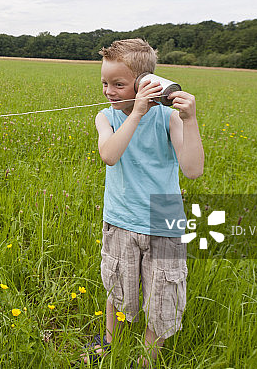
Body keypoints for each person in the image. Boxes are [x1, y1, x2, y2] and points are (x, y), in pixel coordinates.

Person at [89, 38, 204, 367]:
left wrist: (190, 120)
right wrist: (136, 112)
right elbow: (110, 155)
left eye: (118, 84)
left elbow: (193, 170)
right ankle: (109, 344)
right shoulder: (105, 118)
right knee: (117, 286)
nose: (109, 91)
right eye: (105, 83)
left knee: (163, 296)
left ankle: (146, 360)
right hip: (121, 218)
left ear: (144, 84)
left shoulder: (169, 119)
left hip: (164, 221)